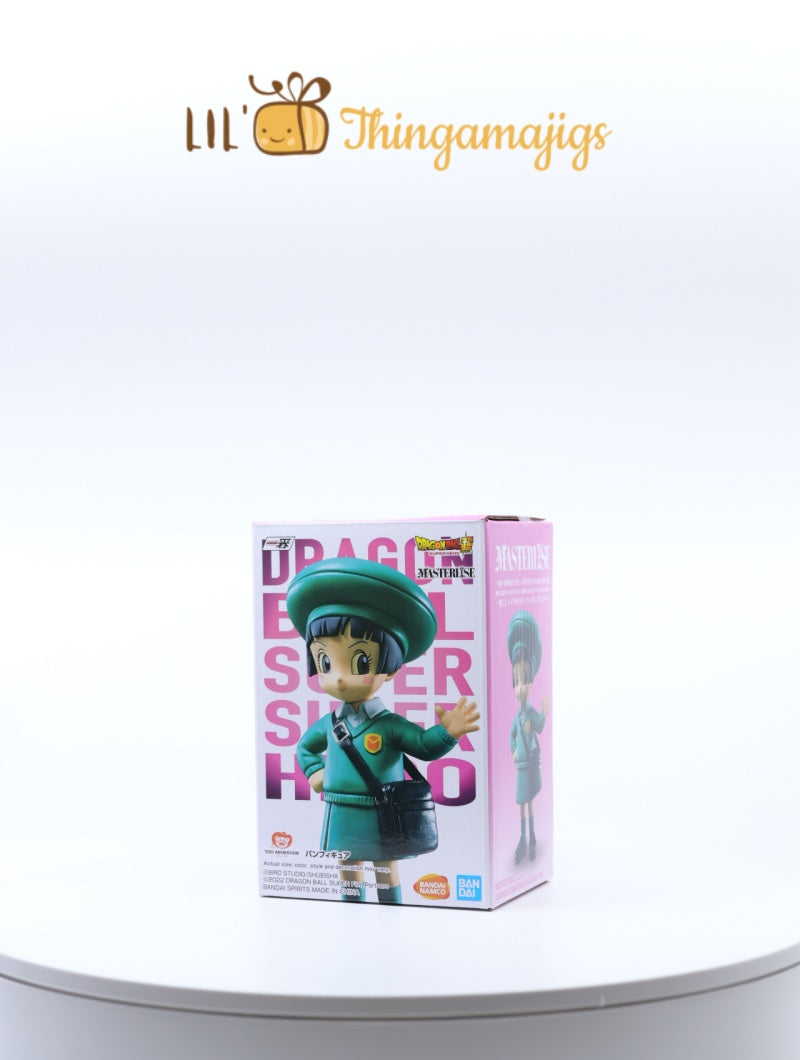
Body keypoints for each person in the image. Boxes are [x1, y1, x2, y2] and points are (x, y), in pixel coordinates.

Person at [289, 557, 480, 903]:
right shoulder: (330, 724)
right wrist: (316, 773)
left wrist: (448, 732)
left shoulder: (389, 725)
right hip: (341, 808)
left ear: (389, 668)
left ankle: (391, 909)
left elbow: (422, 744)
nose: (339, 678)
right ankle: (351, 911)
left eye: (360, 661)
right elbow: (305, 747)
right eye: (326, 662)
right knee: (346, 865)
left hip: (381, 810)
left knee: (383, 866)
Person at [508, 610, 549, 863]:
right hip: (521, 766)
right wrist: (514, 749)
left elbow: (540, 727)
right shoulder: (517, 717)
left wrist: (544, 712)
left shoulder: (530, 713)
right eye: (516, 680)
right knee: (521, 805)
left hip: (530, 765)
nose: (520, 687)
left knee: (530, 802)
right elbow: (512, 736)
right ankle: (522, 840)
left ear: (532, 681)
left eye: (524, 680)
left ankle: (532, 838)